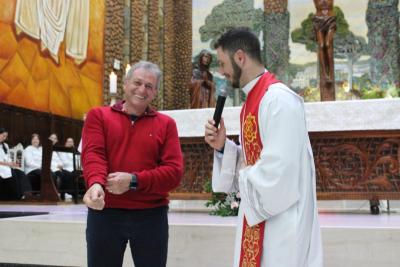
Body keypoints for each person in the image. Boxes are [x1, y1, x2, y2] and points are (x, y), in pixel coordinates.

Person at [204, 28, 323, 267]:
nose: (221, 72)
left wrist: (246, 173)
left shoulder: (278, 100)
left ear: (240, 57)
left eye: (223, 63)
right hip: (261, 218)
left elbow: (279, 171)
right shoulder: (253, 100)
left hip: (282, 224)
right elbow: (254, 161)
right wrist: (223, 148)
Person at [81, 60, 184, 267]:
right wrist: (96, 183)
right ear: (125, 84)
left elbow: (174, 172)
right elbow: (94, 154)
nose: (142, 90)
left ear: (155, 92)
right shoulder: (98, 116)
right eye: (137, 82)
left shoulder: (166, 124)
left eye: (149, 86)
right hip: (105, 212)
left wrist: (134, 181)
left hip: (151, 216)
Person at [0, 128, 31, 200]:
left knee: (21, 173)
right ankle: (16, 197)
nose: (4, 138)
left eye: (5, 136)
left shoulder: (5, 145)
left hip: (7, 166)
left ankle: (27, 194)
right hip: (2, 166)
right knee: (12, 173)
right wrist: (8, 164)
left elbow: (8, 157)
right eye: (3, 136)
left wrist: (12, 163)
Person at [313, 0, 336, 84]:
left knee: (328, 44)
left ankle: (330, 73)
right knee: (322, 45)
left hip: (330, 19)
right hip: (318, 20)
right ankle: (325, 74)